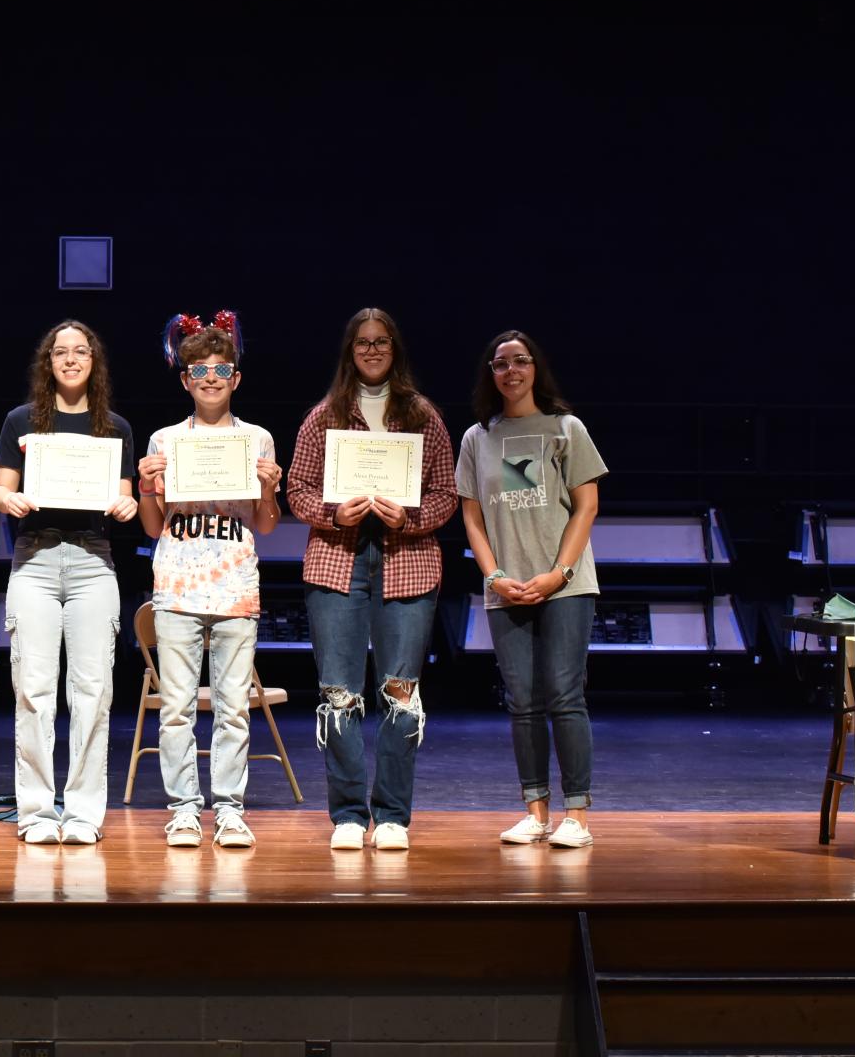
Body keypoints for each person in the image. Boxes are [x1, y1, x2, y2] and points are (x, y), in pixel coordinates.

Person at [284, 307, 457, 852]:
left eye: (382, 342)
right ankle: (349, 814)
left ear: (395, 349)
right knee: (339, 694)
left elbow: (446, 493)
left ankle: (392, 817)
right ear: (350, 352)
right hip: (338, 560)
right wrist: (336, 513)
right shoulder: (324, 416)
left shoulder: (423, 416)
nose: (373, 350)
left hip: (407, 561)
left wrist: (411, 518)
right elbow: (298, 490)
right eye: (363, 343)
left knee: (401, 695)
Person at [135, 311, 283, 850]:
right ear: (185, 380)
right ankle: (182, 810)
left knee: (233, 707)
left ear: (236, 378)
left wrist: (269, 489)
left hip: (236, 587)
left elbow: (264, 524)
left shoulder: (258, 439)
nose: (212, 379)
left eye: (221, 369)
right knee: (176, 707)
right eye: (200, 371)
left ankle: (229, 809)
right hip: (176, 585)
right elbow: (153, 526)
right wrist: (148, 487)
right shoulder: (165, 439)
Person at [457, 330, 607, 849]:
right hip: (508, 587)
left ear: (535, 369)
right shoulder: (478, 437)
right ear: (491, 374)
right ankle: (536, 810)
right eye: (501, 364)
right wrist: (495, 576)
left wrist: (559, 573)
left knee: (565, 696)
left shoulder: (565, 428)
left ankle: (578, 817)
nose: (511, 371)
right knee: (522, 702)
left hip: (564, 585)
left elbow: (586, 506)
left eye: (521, 361)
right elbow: (471, 518)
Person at [0, 320, 138, 846]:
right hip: (34, 556)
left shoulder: (113, 428)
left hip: (92, 561)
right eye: (61, 352)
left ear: (93, 361)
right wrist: (7, 499)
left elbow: (123, 498)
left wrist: (129, 503)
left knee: (93, 691)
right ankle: (34, 811)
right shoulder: (22, 421)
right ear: (47, 361)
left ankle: (81, 813)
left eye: (81, 351)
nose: (71, 359)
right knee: (33, 689)